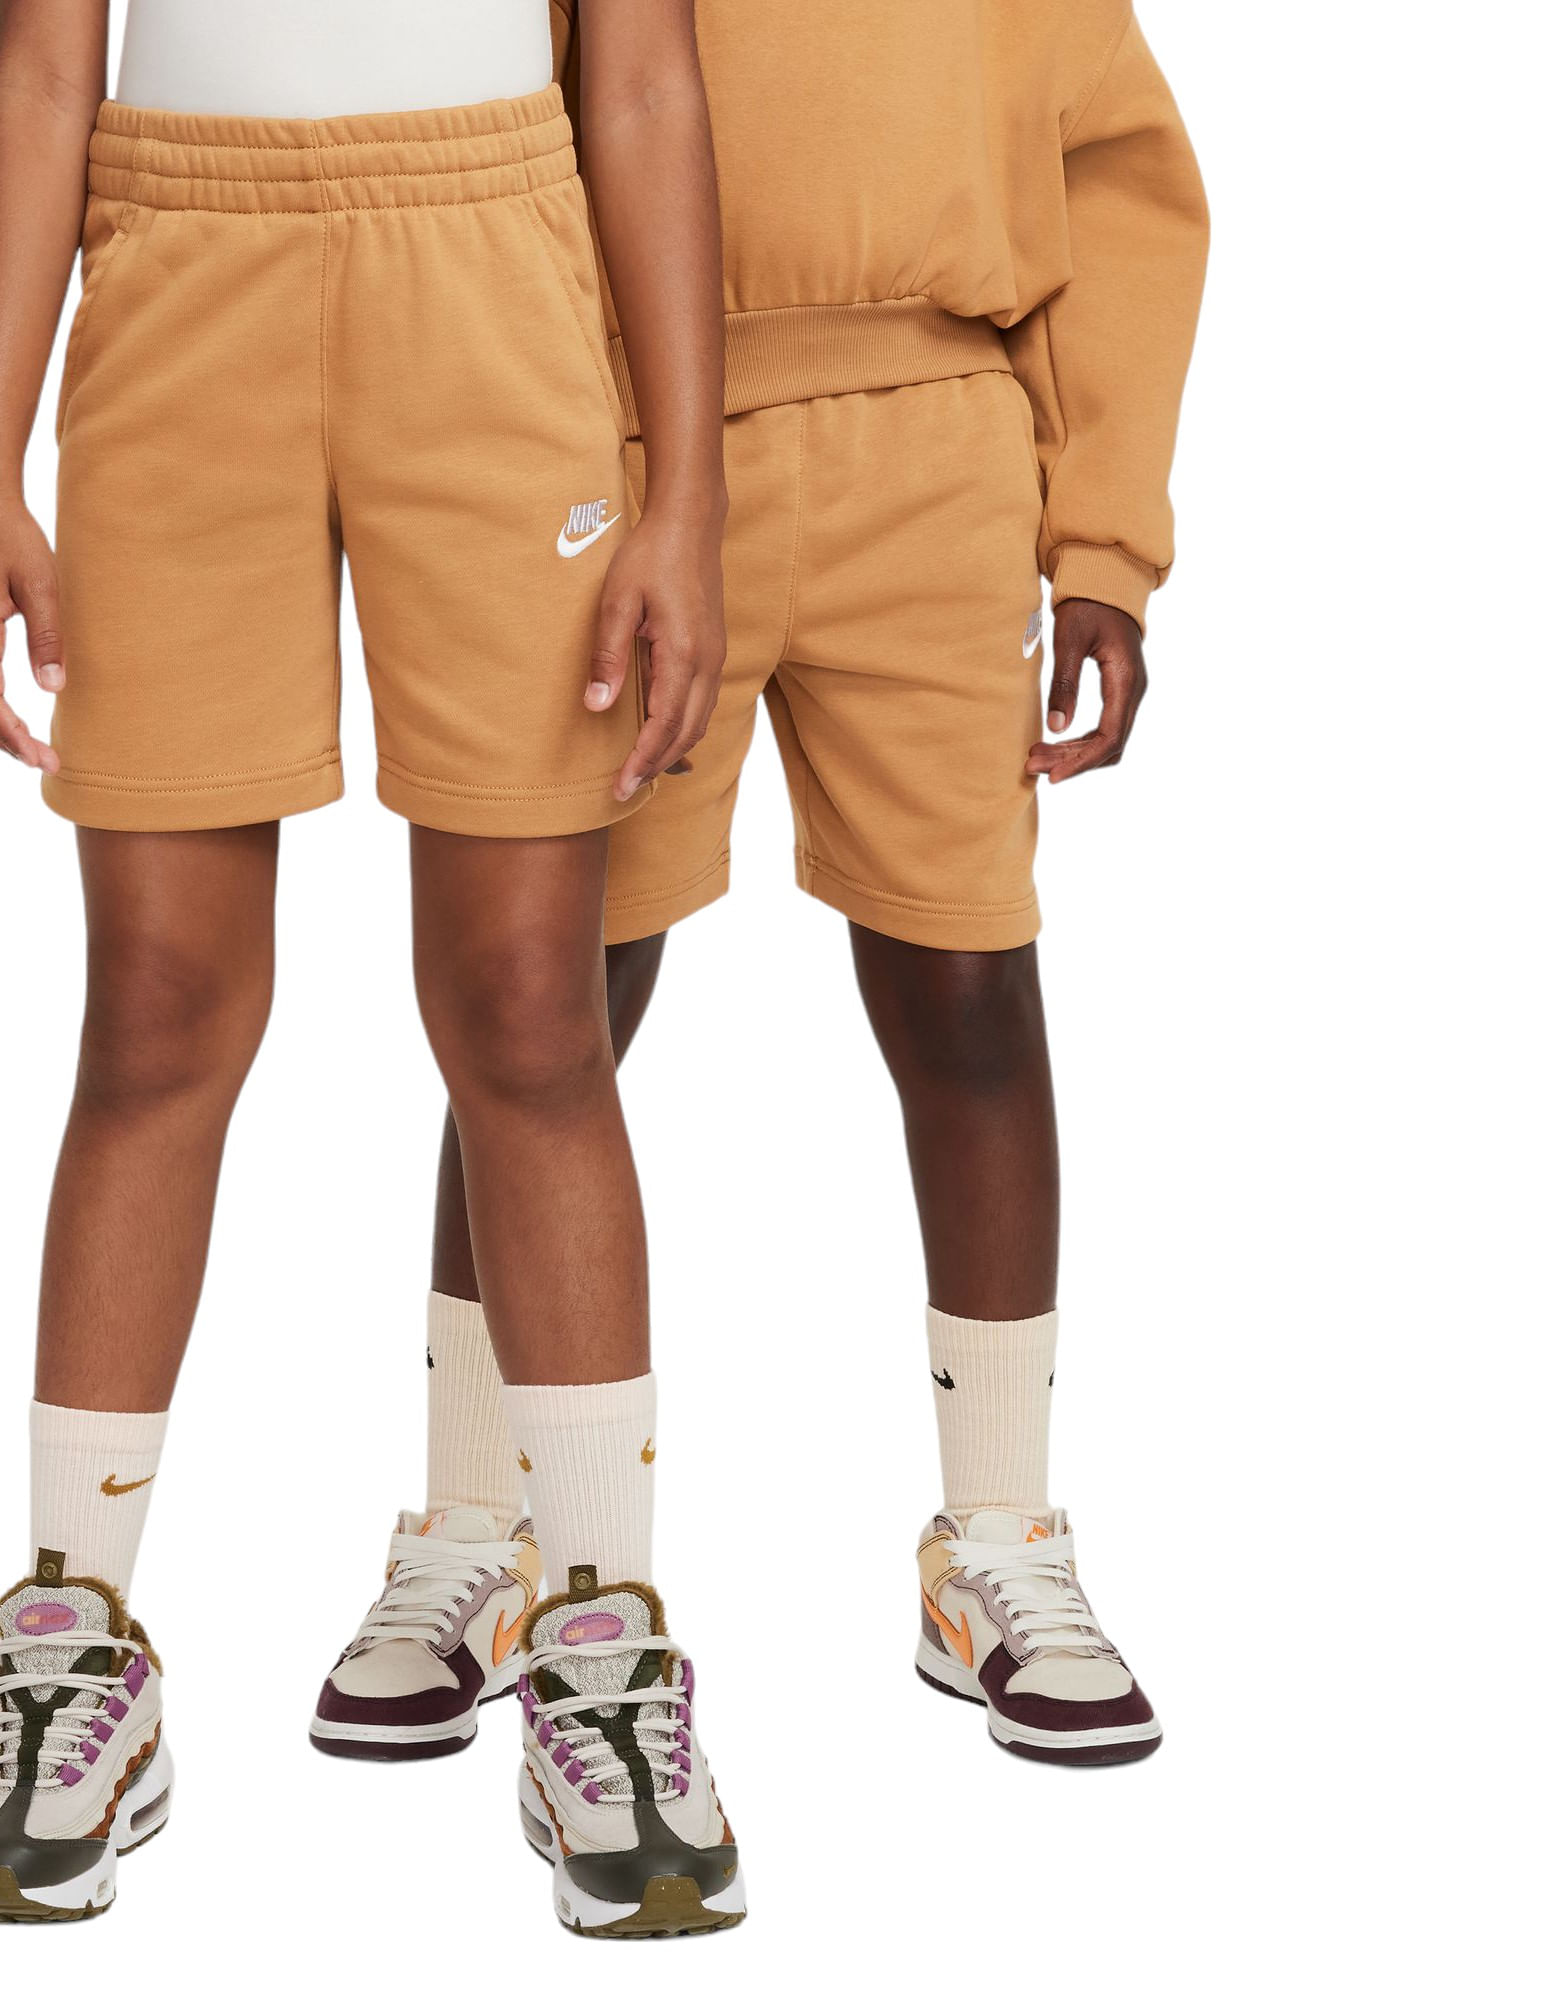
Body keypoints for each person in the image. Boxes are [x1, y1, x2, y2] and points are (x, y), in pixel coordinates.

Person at [0, 0, 739, 1932]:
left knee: (529, 1009)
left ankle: (601, 1641)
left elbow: (643, 74)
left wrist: (689, 496)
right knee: (157, 1009)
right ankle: (75, 1649)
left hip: (492, 260)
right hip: (178, 273)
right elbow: (43, 64)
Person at [333, 0, 1208, 1784]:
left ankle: (999, 1537)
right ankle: (479, 1522)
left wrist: (1105, 546)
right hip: (629, 443)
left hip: (942, 442)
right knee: (554, 994)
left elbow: (1121, 176)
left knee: (968, 979)